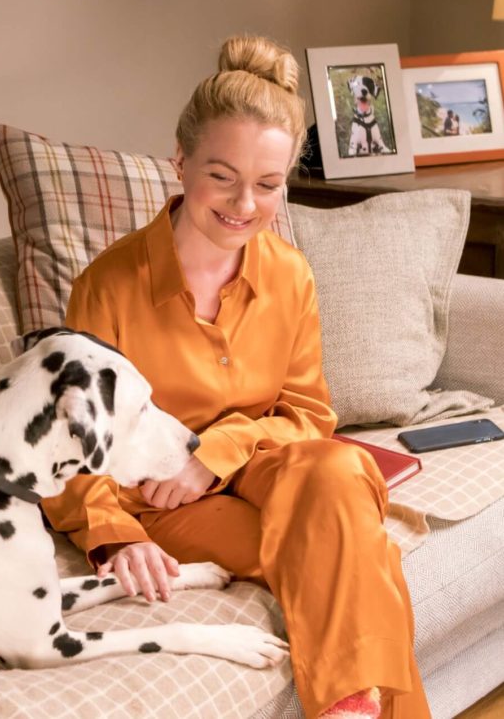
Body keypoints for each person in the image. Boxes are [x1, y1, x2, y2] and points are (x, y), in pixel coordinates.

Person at [41, 35, 430, 719]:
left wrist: (212, 453)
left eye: (268, 184)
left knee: (336, 471)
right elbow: (69, 444)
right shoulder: (107, 286)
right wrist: (114, 534)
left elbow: (309, 419)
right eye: (221, 175)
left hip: (270, 469)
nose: (244, 204)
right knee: (358, 555)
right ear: (181, 160)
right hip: (165, 505)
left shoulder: (290, 274)